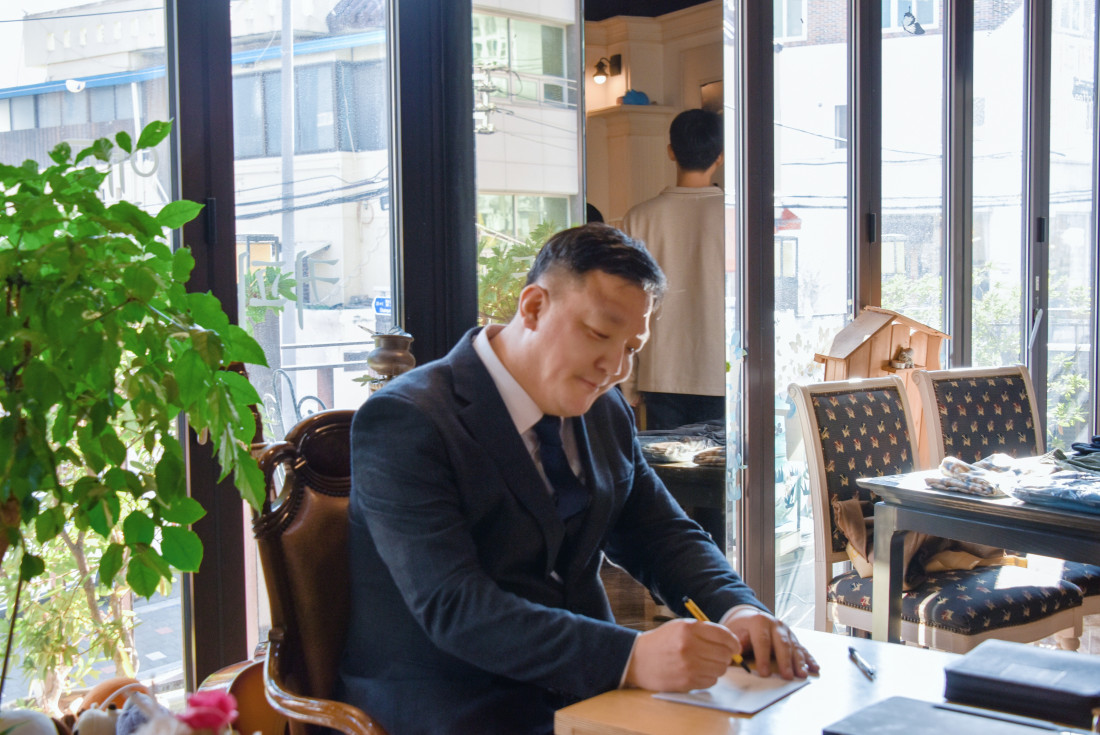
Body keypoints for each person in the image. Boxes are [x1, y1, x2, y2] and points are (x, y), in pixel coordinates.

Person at [337, 223, 817, 735]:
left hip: (590, 696)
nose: (615, 368)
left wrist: (736, 610)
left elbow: (662, 535)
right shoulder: (408, 420)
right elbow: (455, 606)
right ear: (533, 307)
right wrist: (631, 657)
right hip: (453, 705)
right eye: (599, 334)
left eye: (632, 347)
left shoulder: (604, 410)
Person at [621, 108, 725, 430]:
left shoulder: (639, 218)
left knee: (664, 462)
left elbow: (627, 301)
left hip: (660, 371)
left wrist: (629, 379)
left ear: (671, 152)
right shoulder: (736, 216)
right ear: (720, 157)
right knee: (724, 463)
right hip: (724, 372)